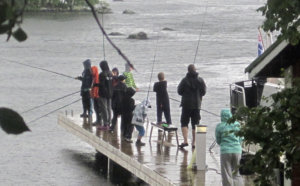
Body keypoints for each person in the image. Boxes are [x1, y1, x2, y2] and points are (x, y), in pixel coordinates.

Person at [177, 64, 206, 149]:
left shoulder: (184, 80)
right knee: (195, 124)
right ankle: (194, 142)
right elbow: (204, 92)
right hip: (197, 105)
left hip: (186, 105)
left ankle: (185, 141)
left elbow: (179, 91)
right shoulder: (200, 80)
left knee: (184, 122)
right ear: (195, 70)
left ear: (188, 70)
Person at [215, 109, 244, 186]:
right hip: (237, 151)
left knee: (226, 173)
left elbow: (218, 140)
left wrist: (224, 144)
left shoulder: (219, 126)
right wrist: (237, 144)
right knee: (237, 172)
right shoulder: (237, 124)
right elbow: (241, 138)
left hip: (225, 151)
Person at [95, 60, 113, 130]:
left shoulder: (102, 74)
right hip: (110, 93)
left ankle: (105, 124)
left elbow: (101, 85)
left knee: (104, 108)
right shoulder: (111, 73)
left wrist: (95, 85)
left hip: (103, 94)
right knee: (108, 108)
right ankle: (109, 122)